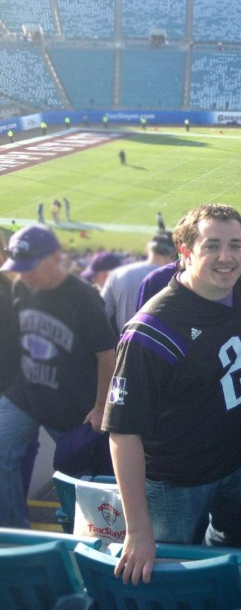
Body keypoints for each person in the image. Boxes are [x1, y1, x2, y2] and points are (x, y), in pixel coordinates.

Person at [103, 204, 241, 585]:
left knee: (231, 562)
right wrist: (137, 531)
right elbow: (123, 432)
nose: (227, 257)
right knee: (173, 578)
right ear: (185, 251)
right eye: (212, 246)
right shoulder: (151, 332)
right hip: (177, 483)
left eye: (235, 245)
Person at [0, 225, 116, 527]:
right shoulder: (21, 287)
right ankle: (14, 534)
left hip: (71, 405)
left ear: (55, 258)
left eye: (31, 267)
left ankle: (82, 536)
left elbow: (108, 354)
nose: (24, 274)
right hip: (26, 394)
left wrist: (101, 407)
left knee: (78, 480)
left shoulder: (84, 298)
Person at [101, 231, 177, 332]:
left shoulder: (118, 274)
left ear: (149, 249)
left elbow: (102, 313)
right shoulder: (177, 278)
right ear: (173, 254)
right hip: (163, 340)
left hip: (124, 338)